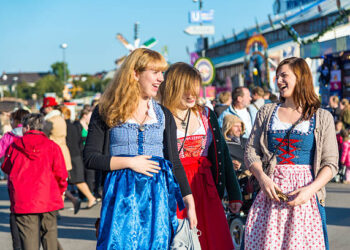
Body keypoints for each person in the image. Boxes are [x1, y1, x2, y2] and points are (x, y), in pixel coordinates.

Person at [83, 48, 197, 249]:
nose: (161, 79)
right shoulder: (106, 111)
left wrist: (189, 201)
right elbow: (90, 158)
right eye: (155, 72)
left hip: (157, 200)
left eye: (162, 72)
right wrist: (130, 162)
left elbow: (174, 162)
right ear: (135, 74)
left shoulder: (163, 115)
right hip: (121, 199)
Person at [244, 57, 338, 249]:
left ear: (301, 77)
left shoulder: (322, 116)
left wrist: (310, 191)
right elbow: (251, 152)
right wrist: (262, 178)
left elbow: (331, 163)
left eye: (284, 75)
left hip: (305, 199)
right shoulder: (267, 112)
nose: (278, 81)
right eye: (277, 76)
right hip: (269, 198)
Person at [158, 62, 242, 250]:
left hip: (206, 187)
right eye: (185, 89)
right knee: (180, 241)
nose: (191, 95)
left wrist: (234, 192)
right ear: (173, 87)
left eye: (195, 89)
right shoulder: (159, 116)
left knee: (214, 240)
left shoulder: (206, 115)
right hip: (175, 189)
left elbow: (223, 155)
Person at [1, 113, 68, 250]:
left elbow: (6, 167)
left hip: (24, 199)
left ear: (26, 127)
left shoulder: (14, 146)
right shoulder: (52, 146)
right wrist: (60, 191)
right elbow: (61, 174)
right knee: (50, 239)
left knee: (29, 241)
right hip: (48, 197)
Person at [42, 97, 81, 212]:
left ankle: (58, 206)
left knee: (53, 181)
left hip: (54, 153)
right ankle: (68, 201)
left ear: (48, 108)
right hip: (64, 151)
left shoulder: (49, 121)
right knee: (60, 181)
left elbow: (43, 136)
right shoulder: (60, 118)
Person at [0, 109, 29, 250]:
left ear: (15, 121)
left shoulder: (9, 137)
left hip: (15, 181)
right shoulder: (35, 135)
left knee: (16, 215)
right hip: (35, 182)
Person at [60, 106, 97, 209]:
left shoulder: (64, 126)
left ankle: (91, 198)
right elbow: (80, 141)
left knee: (76, 180)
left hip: (70, 156)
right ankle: (61, 203)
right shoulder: (74, 126)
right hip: (76, 155)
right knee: (68, 180)